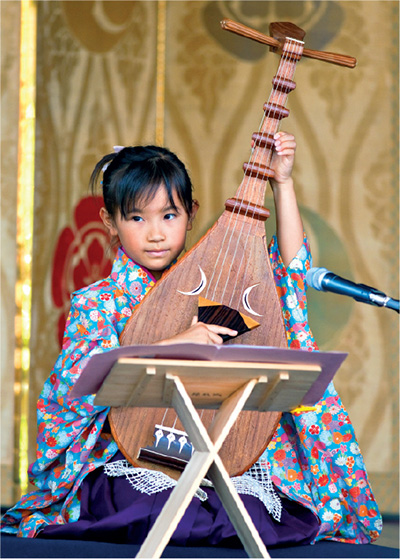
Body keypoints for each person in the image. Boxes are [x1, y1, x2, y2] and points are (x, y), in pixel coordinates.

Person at [1, 134, 381, 547]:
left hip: (217, 451)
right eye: (136, 218)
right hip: (135, 454)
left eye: (168, 216)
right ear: (109, 221)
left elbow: (290, 277)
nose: (155, 234)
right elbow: (75, 387)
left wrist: (282, 185)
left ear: (191, 214)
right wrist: (175, 343)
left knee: (249, 514)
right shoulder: (99, 302)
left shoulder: (216, 283)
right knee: (160, 509)